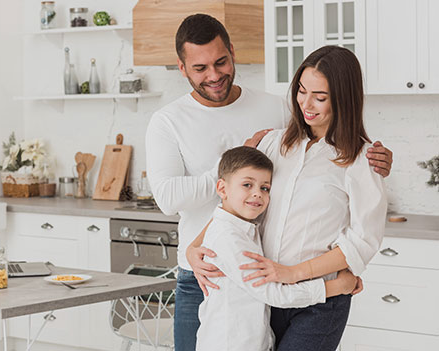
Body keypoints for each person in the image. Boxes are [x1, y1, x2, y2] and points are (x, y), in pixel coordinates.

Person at [145, 14, 392, 351]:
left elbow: (360, 241)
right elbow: (235, 203)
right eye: (302, 92)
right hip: (259, 288)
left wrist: (298, 275)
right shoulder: (273, 143)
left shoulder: (358, 157)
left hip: (306, 293)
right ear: (182, 68)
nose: (306, 104)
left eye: (319, 96)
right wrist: (193, 247)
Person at [196, 146, 359, 351]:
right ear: (222, 189)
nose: (257, 194)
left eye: (265, 188)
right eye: (247, 185)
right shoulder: (228, 238)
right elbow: (272, 293)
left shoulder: (245, 227)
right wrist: (337, 287)